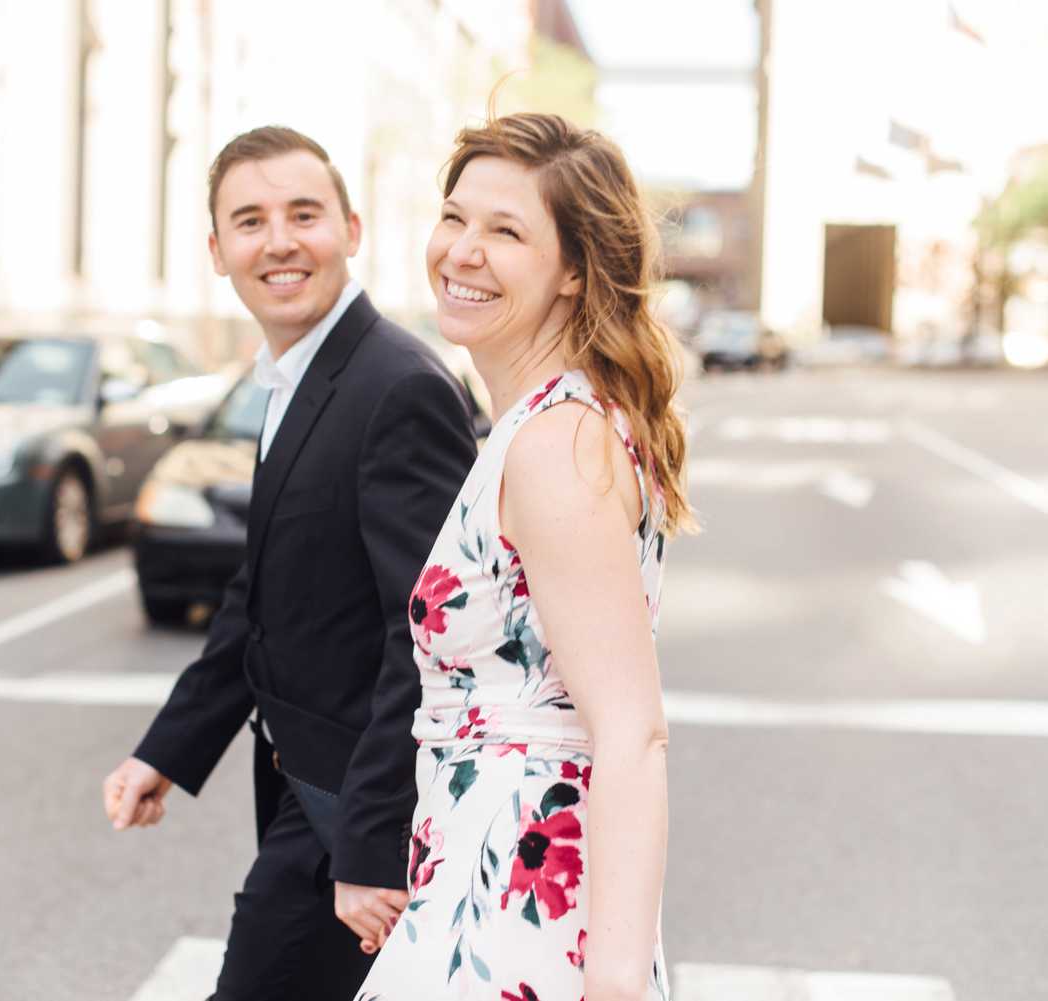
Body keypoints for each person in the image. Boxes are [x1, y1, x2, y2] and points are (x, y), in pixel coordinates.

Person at [101, 126, 478, 1000]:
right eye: (250, 221)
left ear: (351, 228)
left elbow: (428, 635)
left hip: (353, 814)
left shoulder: (399, 386)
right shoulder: (297, 376)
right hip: (307, 797)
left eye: (302, 215)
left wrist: (371, 841)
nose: (278, 241)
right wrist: (168, 749)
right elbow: (259, 598)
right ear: (217, 251)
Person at [352, 112, 696, 1001]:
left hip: (516, 907)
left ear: (575, 271)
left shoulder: (555, 445)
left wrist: (615, 981)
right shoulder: (547, 422)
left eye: (506, 231)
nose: (462, 251)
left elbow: (632, 730)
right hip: (479, 883)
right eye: (456, 217)